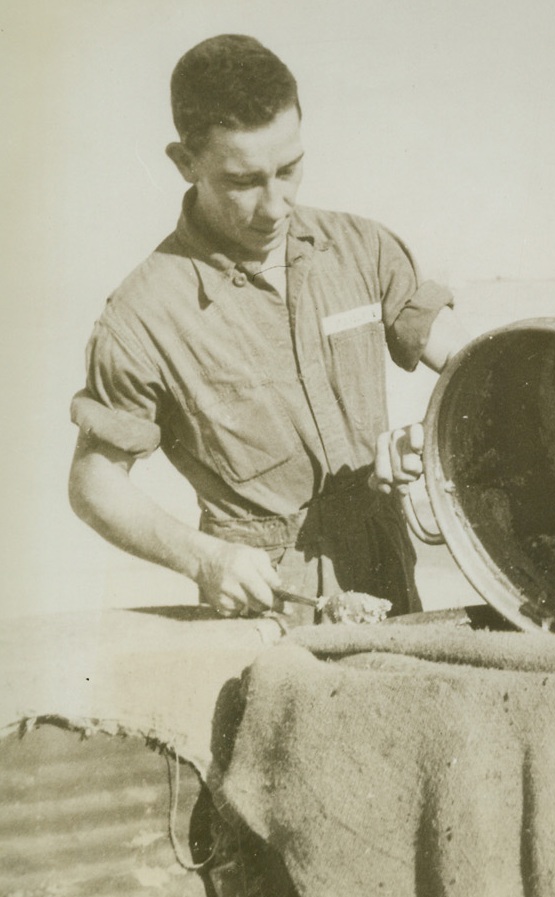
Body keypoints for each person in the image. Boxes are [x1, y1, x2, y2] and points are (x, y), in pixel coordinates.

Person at [68, 34, 461, 624]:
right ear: (186, 163)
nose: (276, 205)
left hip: (384, 579)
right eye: (244, 181)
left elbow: (481, 371)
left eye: (290, 168)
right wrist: (203, 560)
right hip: (263, 605)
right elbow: (93, 483)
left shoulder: (362, 249)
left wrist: (432, 436)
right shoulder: (142, 317)